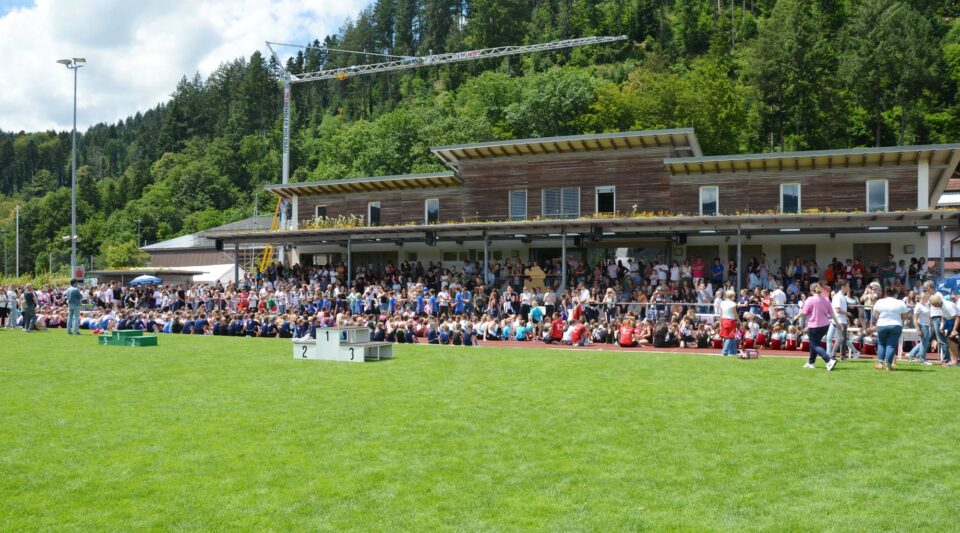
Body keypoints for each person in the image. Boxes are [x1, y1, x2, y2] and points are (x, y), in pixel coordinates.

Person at [794, 283, 840, 371]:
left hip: (814, 326)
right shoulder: (826, 299)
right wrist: (838, 323)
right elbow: (832, 313)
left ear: (811, 291)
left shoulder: (810, 299)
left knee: (814, 345)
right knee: (815, 344)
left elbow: (804, 312)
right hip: (825, 325)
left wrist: (796, 317)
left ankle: (829, 360)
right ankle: (811, 362)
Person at [872, 286, 909, 371]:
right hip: (896, 325)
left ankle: (880, 363)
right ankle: (889, 365)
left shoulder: (880, 301)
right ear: (896, 294)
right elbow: (905, 316)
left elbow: (875, 314)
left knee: (881, 343)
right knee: (891, 345)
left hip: (882, 324)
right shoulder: (900, 302)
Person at [718, 290, 741, 357]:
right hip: (730, 321)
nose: (735, 297)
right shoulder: (733, 304)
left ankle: (733, 352)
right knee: (729, 337)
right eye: (734, 296)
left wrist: (720, 322)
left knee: (731, 336)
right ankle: (724, 352)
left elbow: (721, 314)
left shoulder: (722, 303)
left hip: (724, 320)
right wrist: (739, 321)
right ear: (732, 296)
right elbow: (735, 313)